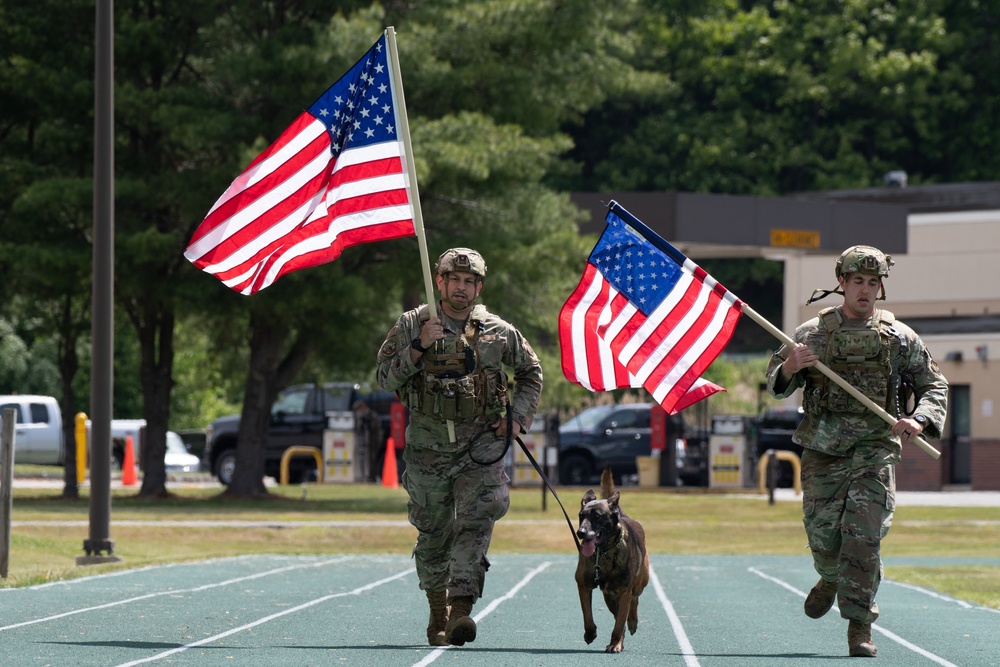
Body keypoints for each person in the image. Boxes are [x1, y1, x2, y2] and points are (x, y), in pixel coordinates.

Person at [765, 245, 948, 658]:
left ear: (879, 287)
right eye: (857, 282)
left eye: (873, 282)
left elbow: (935, 386)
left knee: (863, 539)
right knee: (825, 539)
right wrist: (791, 366)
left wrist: (918, 420)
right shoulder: (811, 333)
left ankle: (859, 627)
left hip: (875, 450)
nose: (865, 290)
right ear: (842, 284)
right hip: (823, 450)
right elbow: (776, 382)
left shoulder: (899, 338)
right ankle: (829, 576)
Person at [376, 247, 543, 647]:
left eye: (470, 282)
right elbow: (383, 378)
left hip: (479, 447)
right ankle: (437, 612)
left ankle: (461, 610)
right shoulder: (413, 324)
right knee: (433, 534)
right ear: (440, 281)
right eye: (455, 280)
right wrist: (417, 347)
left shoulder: (497, 331)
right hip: (428, 450)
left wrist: (517, 418)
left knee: (476, 520)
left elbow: (531, 372)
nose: (462, 289)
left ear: (479, 287)